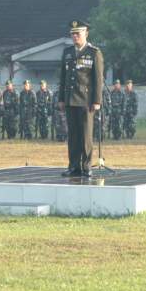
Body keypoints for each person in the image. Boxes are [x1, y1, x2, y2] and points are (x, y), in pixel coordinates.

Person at [58, 20, 104, 178]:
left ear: (86, 33)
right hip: (70, 99)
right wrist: (61, 99)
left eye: (78, 33)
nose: (75, 36)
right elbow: (63, 77)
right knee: (73, 135)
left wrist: (97, 101)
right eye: (72, 33)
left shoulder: (94, 52)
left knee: (85, 135)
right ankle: (73, 166)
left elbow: (98, 79)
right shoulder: (68, 52)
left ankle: (86, 167)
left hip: (86, 100)